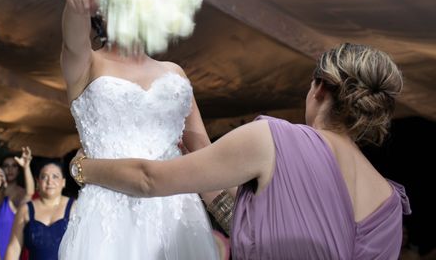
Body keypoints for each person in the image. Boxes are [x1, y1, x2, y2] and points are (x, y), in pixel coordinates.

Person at [70, 43, 411, 259]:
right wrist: (197, 146)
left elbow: (149, 179)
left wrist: (84, 168)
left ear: (319, 88)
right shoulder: (390, 204)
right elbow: (260, 226)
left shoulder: (273, 139)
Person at [57, 0, 218, 259]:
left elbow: (203, 151)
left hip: (179, 215)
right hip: (108, 219)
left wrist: (241, 210)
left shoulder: (175, 72)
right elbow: (72, 41)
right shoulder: (88, 63)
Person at [5, 163, 75, 260]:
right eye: (44, 177)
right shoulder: (25, 210)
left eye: (55, 176)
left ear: (63, 182)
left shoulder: (75, 207)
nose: (50, 181)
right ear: (37, 182)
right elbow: (14, 248)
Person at [0, 147, 35, 259]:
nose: (10, 169)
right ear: (1, 169)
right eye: (6, 166)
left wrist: (26, 167)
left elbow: (30, 193)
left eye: (14, 166)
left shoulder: (21, 193)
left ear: (19, 169)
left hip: (14, 251)